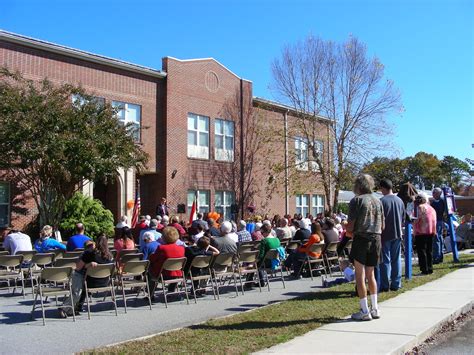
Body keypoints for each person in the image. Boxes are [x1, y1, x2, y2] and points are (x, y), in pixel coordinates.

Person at [346, 174, 384, 321]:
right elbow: (383, 225)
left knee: (359, 276)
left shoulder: (357, 201)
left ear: (358, 186)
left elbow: (350, 226)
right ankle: (375, 308)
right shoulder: (378, 201)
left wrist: (347, 229)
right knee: (371, 275)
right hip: (376, 238)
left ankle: (364, 310)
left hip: (361, 239)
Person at [59, 235, 113, 317]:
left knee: (77, 274)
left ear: (96, 243)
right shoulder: (110, 257)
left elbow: (78, 267)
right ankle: (76, 307)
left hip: (90, 282)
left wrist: (87, 265)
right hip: (105, 282)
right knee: (82, 279)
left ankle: (65, 308)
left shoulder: (90, 254)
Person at [378, 178, 406, 292]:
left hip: (385, 234)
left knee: (385, 260)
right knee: (396, 259)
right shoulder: (400, 201)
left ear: (383, 188)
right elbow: (403, 217)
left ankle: (385, 284)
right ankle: (396, 283)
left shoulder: (381, 201)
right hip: (398, 233)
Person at [148, 227, 185, 297]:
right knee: (174, 270)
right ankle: (171, 291)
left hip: (162, 275)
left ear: (164, 237)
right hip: (176, 275)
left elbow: (152, 259)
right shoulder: (181, 248)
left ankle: (151, 294)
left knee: (149, 267)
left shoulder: (161, 248)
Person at [413, 192, 437, 275]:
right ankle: (430, 268)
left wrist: (414, 230)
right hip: (431, 231)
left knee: (422, 251)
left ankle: (424, 270)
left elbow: (416, 220)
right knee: (429, 251)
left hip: (421, 232)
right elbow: (434, 221)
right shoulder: (431, 208)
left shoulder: (419, 208)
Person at [431, 187, 445, 264]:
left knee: (437, 239)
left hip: (439, 221)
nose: (433, 194)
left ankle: (437, 257)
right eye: (433, 192)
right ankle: (438, 256)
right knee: (438, 238)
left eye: (434, 192)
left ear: (439, 193)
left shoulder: (442, 201)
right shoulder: (433, 203)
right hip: (435, 221)